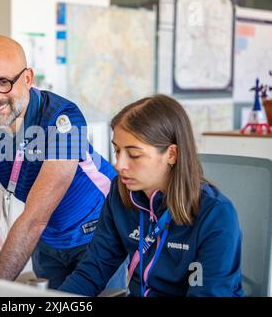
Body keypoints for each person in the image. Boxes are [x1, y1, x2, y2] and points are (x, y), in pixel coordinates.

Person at [0, 35, 117, 289]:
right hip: (47, 239)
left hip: (99, 230)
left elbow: (34, 220)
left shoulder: (62, 118)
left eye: (4, 82)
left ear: (27, 78)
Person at [59, 94, 244, 296]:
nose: (119, 165)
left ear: (172, 155)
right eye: (117, 150)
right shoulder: (120, 194)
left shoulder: (215, 215)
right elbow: (92, 272)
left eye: (134, 154)